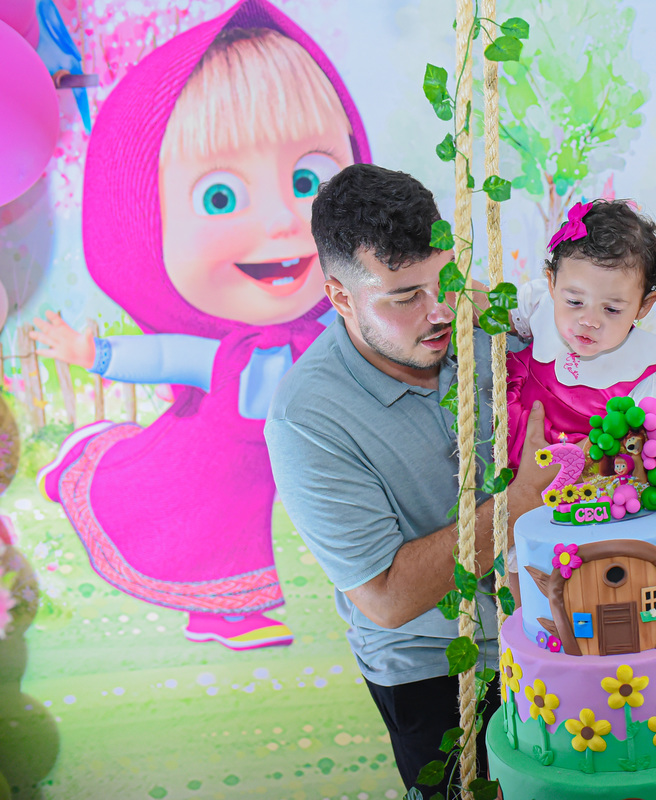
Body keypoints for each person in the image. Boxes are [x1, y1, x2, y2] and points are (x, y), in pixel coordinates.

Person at [30, 5, 366, 651]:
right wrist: (90, 352)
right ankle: (216, 601)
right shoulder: (227, 356)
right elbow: (164, 357)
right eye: (221, 197)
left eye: (309, 181)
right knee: (202, 519)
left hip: (294, 461)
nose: (284, 221)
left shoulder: (336, 332)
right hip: (219, 460)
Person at [264, 164, 551, 798]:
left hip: (546, 624)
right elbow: (386, 597)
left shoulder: (481, 323)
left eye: (446, 279)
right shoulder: (305, 418)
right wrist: (519, 503)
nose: (441, 310)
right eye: (404, 297)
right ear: (341, 297)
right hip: (429, 666)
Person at [505, 199, 656, 474]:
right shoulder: (542, 304)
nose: (589, 320)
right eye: (574, 301)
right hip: (504, 445)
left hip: (574, 485)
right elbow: (486, 310)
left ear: (643, 306)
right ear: (552, 283)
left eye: (611, 309)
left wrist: (629, 485)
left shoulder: (644, 371)